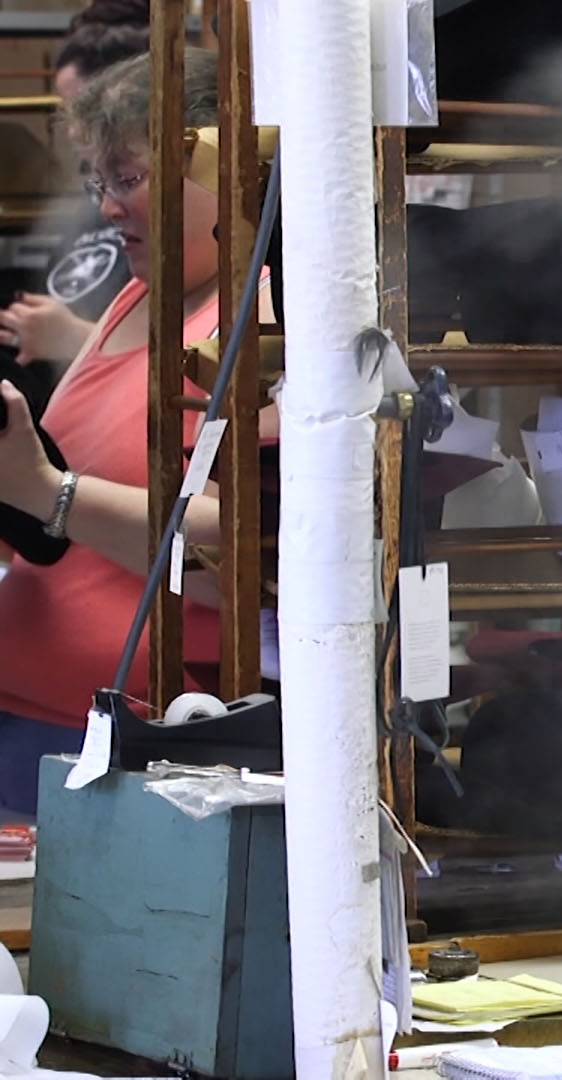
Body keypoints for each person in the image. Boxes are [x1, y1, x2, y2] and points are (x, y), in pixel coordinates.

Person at [0, 46, 269, 819]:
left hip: (144, 759)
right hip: (36, 734)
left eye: (130, 178)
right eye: (101, 182)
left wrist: (49, 495)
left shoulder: (260, 323)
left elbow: (242, 557)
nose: (109, 206)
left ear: (219, 165)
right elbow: (56, 529)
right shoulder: (134, 303)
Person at [0, 0, 149, 379]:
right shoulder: (89, 204)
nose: (69, 128)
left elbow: (183, 358)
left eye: (78, 107)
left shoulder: (169, 216)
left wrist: (75, 339)